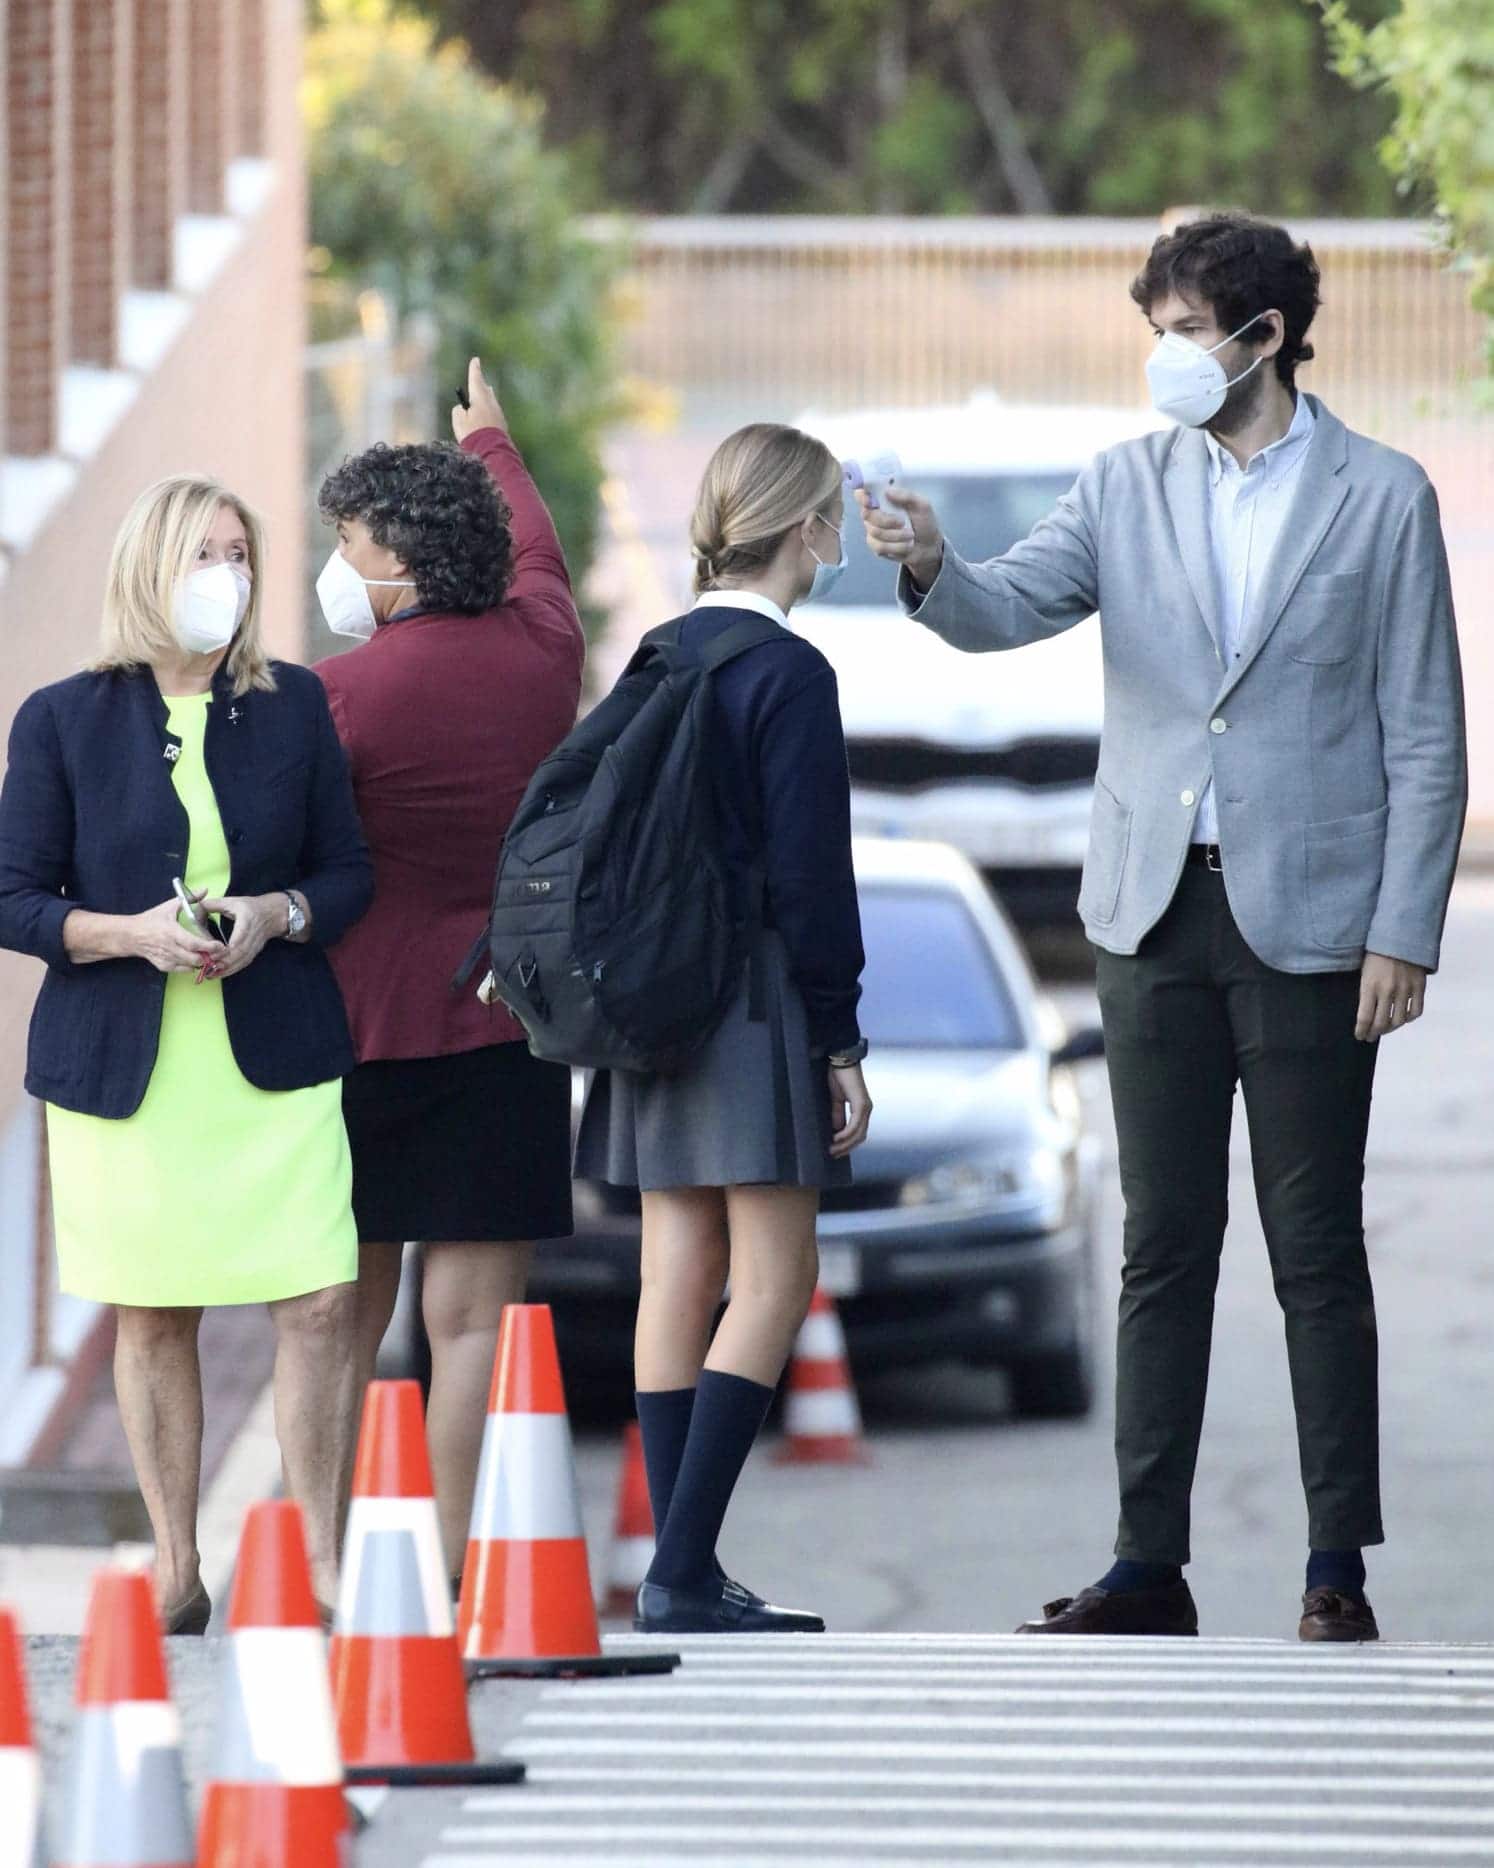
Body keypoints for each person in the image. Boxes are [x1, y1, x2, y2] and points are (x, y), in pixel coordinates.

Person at [861, 213, 1467, 1643]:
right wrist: (934, 565)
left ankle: (1334, 1564)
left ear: (1262, 338)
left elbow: (1426, 738)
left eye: (1186, 330)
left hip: (1313, 923)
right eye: (1157, 329)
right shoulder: (1120, 484)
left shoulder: (1381, 498)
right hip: (1148, 909)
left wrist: (1404, 932)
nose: (1164, 357)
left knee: (1313, 1246)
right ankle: (1146, 1561)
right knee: (1159, 1243)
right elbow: (1006, 610)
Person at [0, 476, 374, 1629]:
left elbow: (347, 875)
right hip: (130, 1069)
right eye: (205, 554)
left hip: (275, 1055)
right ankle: (176, 1566)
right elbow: (15, 898)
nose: (230, 575)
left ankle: (316, 1559)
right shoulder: (63, 718)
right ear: (150, 570)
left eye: (240, 554)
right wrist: (131, 935)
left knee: (318, 1300)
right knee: (155, 1312)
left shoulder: (297, 706)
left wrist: (274, 916)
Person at [574, 422, 874, 1634]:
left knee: (675, 1269)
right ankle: (685, 1565)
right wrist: (839, 1036)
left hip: (655, 996)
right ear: (805, 526)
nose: (839, 532)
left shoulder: (657, 651)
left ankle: (674, 1560)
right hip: (751, 996)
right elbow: (813, 877)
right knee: (776, 1274)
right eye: (834, 513)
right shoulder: (790, 674)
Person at [314, 359, 584, 1579]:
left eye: (351, 541)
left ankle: (332, 1562)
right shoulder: (542, 652)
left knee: (342, 1317)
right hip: (507, 1022)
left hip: (357, 1031)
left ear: (404, 564)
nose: (339, 563)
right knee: (470, 1321)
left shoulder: (333, 697)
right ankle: (449, 1570)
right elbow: (540, 554)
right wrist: (494, 444)